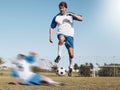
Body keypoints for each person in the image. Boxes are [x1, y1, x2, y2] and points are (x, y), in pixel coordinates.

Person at [49, 1, 83, 76]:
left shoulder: (70, 15)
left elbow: (81, 19)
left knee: (71, 55)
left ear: (66, 8)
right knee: (61, 38)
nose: (61, 9)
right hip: (61, 33)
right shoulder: (56, 17)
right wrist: (50, 37)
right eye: (60, 8)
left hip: (70, 36)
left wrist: (73, 15)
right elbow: (51, 27)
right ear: (59, 8)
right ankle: (59, 56)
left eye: (63, 8)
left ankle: (70, 67)